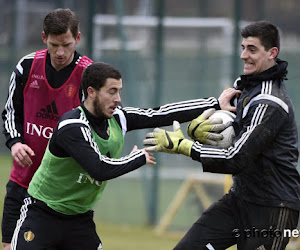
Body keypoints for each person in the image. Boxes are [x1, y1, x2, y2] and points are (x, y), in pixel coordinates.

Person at [10, 62, 239, 249]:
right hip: (42, 215)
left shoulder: (117, 118)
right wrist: (139, 157)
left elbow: (159, 114)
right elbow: (99, 168)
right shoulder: (72, 125)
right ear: (91, 92)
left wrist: (214, 103)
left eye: (119, 91)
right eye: (112, 91)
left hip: (79, 221)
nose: (118, 98)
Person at [144, 21, 300, 250]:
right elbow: (231, 132)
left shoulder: (270, 102)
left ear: (272, 53)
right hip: (239, 200)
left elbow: (235, 157)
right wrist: (198, 131)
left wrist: (185, 146)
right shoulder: (245, 87)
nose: (243, 55)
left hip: (273, 208)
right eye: (243, 47)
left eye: (252, 49)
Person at [1, 8, 93, 250]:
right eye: (54, 44)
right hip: (23, 182)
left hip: (61, 194)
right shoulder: (27, 66)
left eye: (66, 44)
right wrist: (16, 142)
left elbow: (99, 126)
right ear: (44, 38)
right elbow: (11, 112)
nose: (60, 52)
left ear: (78, 39)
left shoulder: (88, 76)